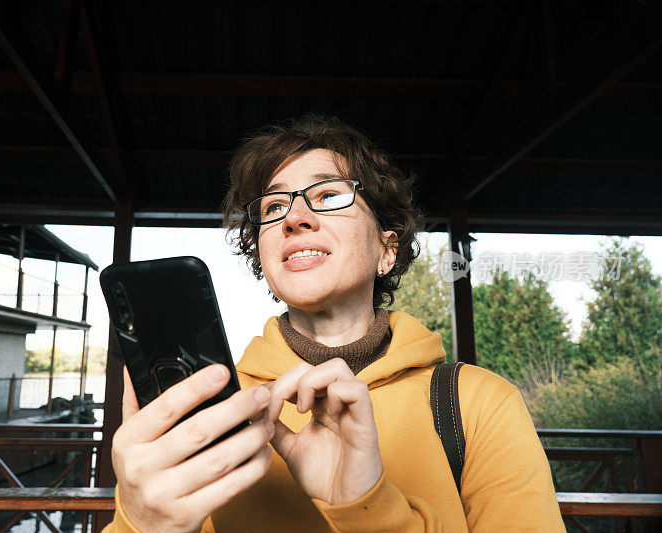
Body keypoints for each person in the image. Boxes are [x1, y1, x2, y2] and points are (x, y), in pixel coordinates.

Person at [103, 115, 564, 532]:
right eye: (273, 207)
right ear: (264, 259)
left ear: (388, 250)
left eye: (329, 195)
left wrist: (369, 506)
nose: (295, 219)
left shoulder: (481, 404)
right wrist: (142, 522)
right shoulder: (215, 404)